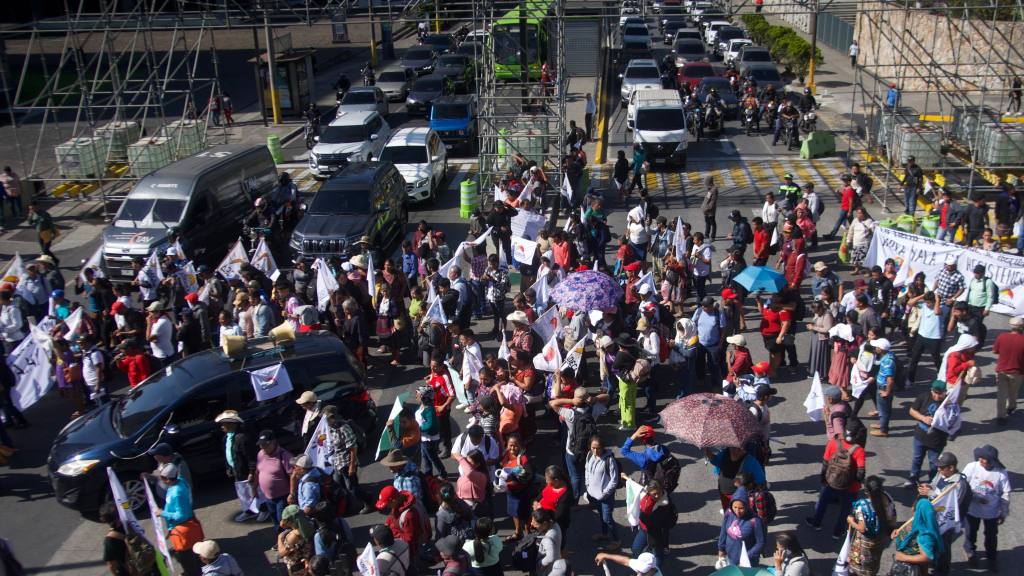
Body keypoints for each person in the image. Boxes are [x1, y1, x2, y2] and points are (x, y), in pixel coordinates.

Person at [806, 425, 866, 538]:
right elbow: (861, 473)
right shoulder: (859, 450)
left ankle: (816, 523)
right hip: (850, 487)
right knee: (845, 509)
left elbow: (825, 463)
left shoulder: (833, 443)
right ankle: (838, 532)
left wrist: (823, 479)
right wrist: (854, 481)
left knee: (823, 502)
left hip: (831, 481)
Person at [919, 452, 971, 576]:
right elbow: (933, 485)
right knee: (932, 541)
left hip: (947, 521)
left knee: (943, 546)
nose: (938, 469)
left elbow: (951, 505)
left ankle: (942, 570)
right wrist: (926, 487)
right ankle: (933, 561)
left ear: (951, 468)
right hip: (935, 516)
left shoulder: (959, 485)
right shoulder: (940, 474)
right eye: (938, 466)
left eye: (941, 467)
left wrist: (930, 494)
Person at [962, 445, 1011, 571]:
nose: (981, 460)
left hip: (992, 512)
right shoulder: (971, 467)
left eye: (984, 459)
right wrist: (975, 499)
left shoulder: (1001, 472)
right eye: (981, 457)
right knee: (970, 533)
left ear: (992, 461)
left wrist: (1003, 512)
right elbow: (962, 486)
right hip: (972, 510)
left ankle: (991, 558)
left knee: (991, 536)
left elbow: (1005, 493)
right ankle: (970, 552)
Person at [903, 380, 951, 487]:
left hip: (937, 439)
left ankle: (932, 482)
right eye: (935, 393)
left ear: (945, 392)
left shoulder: (948, 404)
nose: (937, 396)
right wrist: (923, 418)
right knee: (917, 458)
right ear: (931, 390)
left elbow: (952, 420)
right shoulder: (924, 397)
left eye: (940, 393)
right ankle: (913, 478)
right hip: (920, 435)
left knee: (934, 463)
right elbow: (912, 411)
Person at [846, 476, 895, 576]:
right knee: (874, 563)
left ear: (867, 492)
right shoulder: (887, 498)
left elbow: (862, 528)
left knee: (862, 566)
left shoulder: (862, 506)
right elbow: (892, 517)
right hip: (881, 538)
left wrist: (851, 521)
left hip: (866, 542)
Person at [892, 487, 943, 573]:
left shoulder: (925, 534)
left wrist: (903, 557)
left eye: (917, 510)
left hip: (913, 571)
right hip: (904, 568)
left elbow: (927, 557)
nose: (913, 511)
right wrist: (897, 536)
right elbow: (907, 539)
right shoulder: (915, 523)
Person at [585, 434, 620, 548]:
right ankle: (604, 534)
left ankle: (616, 540)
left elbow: (614, 481)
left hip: (605, 497)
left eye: (598, 448)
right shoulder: (590, 455)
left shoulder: (609, 460)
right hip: (594, 495)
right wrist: (588, 484)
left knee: (607, 518)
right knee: (601, 516)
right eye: (593, 447)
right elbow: (587, 470)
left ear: (603, 447)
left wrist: (604, 494)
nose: (595, 451)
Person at [633, 479, 676, 567]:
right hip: (644, 529)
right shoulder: (644, 495)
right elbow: (636, 488)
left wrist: (643, 517)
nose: (657, 496)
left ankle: (656, 571)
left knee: (657, 555)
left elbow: (655, 522)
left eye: (659, 493)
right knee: (635, 549)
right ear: (648, 492)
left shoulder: (665, 505)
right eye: (654, 494)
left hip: (655, 533)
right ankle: (643, 568)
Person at [256, 430, 294, 527]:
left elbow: (293, 475)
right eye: (261, 445)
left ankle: (286, 540)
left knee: (283, 521)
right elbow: (258, 471)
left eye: (265, 445)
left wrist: (292, 494)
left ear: (274, 442)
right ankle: (279, 539)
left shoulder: (284, 455)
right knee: (275, 521)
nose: (263, 447)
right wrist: (254, 487)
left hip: (283, 497)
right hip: (268, 497)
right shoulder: (260, 454)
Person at [718, 487, 764, 566]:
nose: (737, 511)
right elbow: (723, 532)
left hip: (748, 562)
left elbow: (761, 543)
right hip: (731, 557)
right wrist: (721, 548)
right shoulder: (729, 513)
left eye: (741, 508)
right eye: (735, 507)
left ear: (746, 506)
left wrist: (746, 557)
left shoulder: (755, 521)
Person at [993, 315, 1024, 424]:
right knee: (1013, 392)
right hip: (1017, 372)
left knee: (1001, 394)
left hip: (1002, 370)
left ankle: (1001, 416)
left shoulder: (1002, 336)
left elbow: (995, 351)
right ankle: (1011, 406)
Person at [868, 338, 896, 437]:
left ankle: (884, 430)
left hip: (883, 389)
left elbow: (890, 379)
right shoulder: (886, 357)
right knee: (881, 409)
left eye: (877, 347)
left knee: (884, 410)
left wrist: (887, 392)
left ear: (881, 349)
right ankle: (881, 424)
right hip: (881, 387)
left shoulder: (888, 362)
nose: (875, 348)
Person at [98, 502, 132, 576]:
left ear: (104, 520)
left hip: (129, 571)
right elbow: (126, 504)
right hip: (145, 564)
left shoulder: (110, 540)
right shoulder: (129, 524)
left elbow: (111, 565)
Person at [532, 508, 562, 575]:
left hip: (548, 569)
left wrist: (540, 563)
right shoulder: (555, 524)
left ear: (544, 523)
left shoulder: (547, 539)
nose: (532, 524)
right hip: (557, 560)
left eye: (535, 523)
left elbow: (551, 557)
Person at [594, 551, 661, 576]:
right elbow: (626, 561)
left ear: (652, 569)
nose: (639, 574)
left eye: (643, 573)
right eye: (639, 570)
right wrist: (605, 555)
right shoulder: (644, 564)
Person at [701, 176, 718, 241]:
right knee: (707, 222)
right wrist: (703, 206)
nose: (705, 183)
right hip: (706, 209)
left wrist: (707, 208)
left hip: (710, 210)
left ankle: (713, 236)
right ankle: (706, 234)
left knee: (712, 223)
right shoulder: (709, 189)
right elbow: (706, 199)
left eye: (706, 182)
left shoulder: (714, 190)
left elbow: (713, 201)